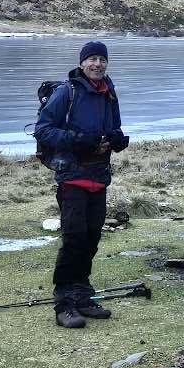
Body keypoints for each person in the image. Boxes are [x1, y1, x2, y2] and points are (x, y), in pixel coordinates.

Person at [34, 40, 129, 328]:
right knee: (74, 239)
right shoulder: (67, 92)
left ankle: (83, 297)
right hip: (72, 177)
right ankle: (64, 304)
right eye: (92, 59)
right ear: (82, 62)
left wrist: (117, 139)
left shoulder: (109, 93)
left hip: (98, 178)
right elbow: (43, 130)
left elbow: (115, 126)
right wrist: (78, 140)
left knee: (91, 239)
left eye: (102, 59)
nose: (97, 64)